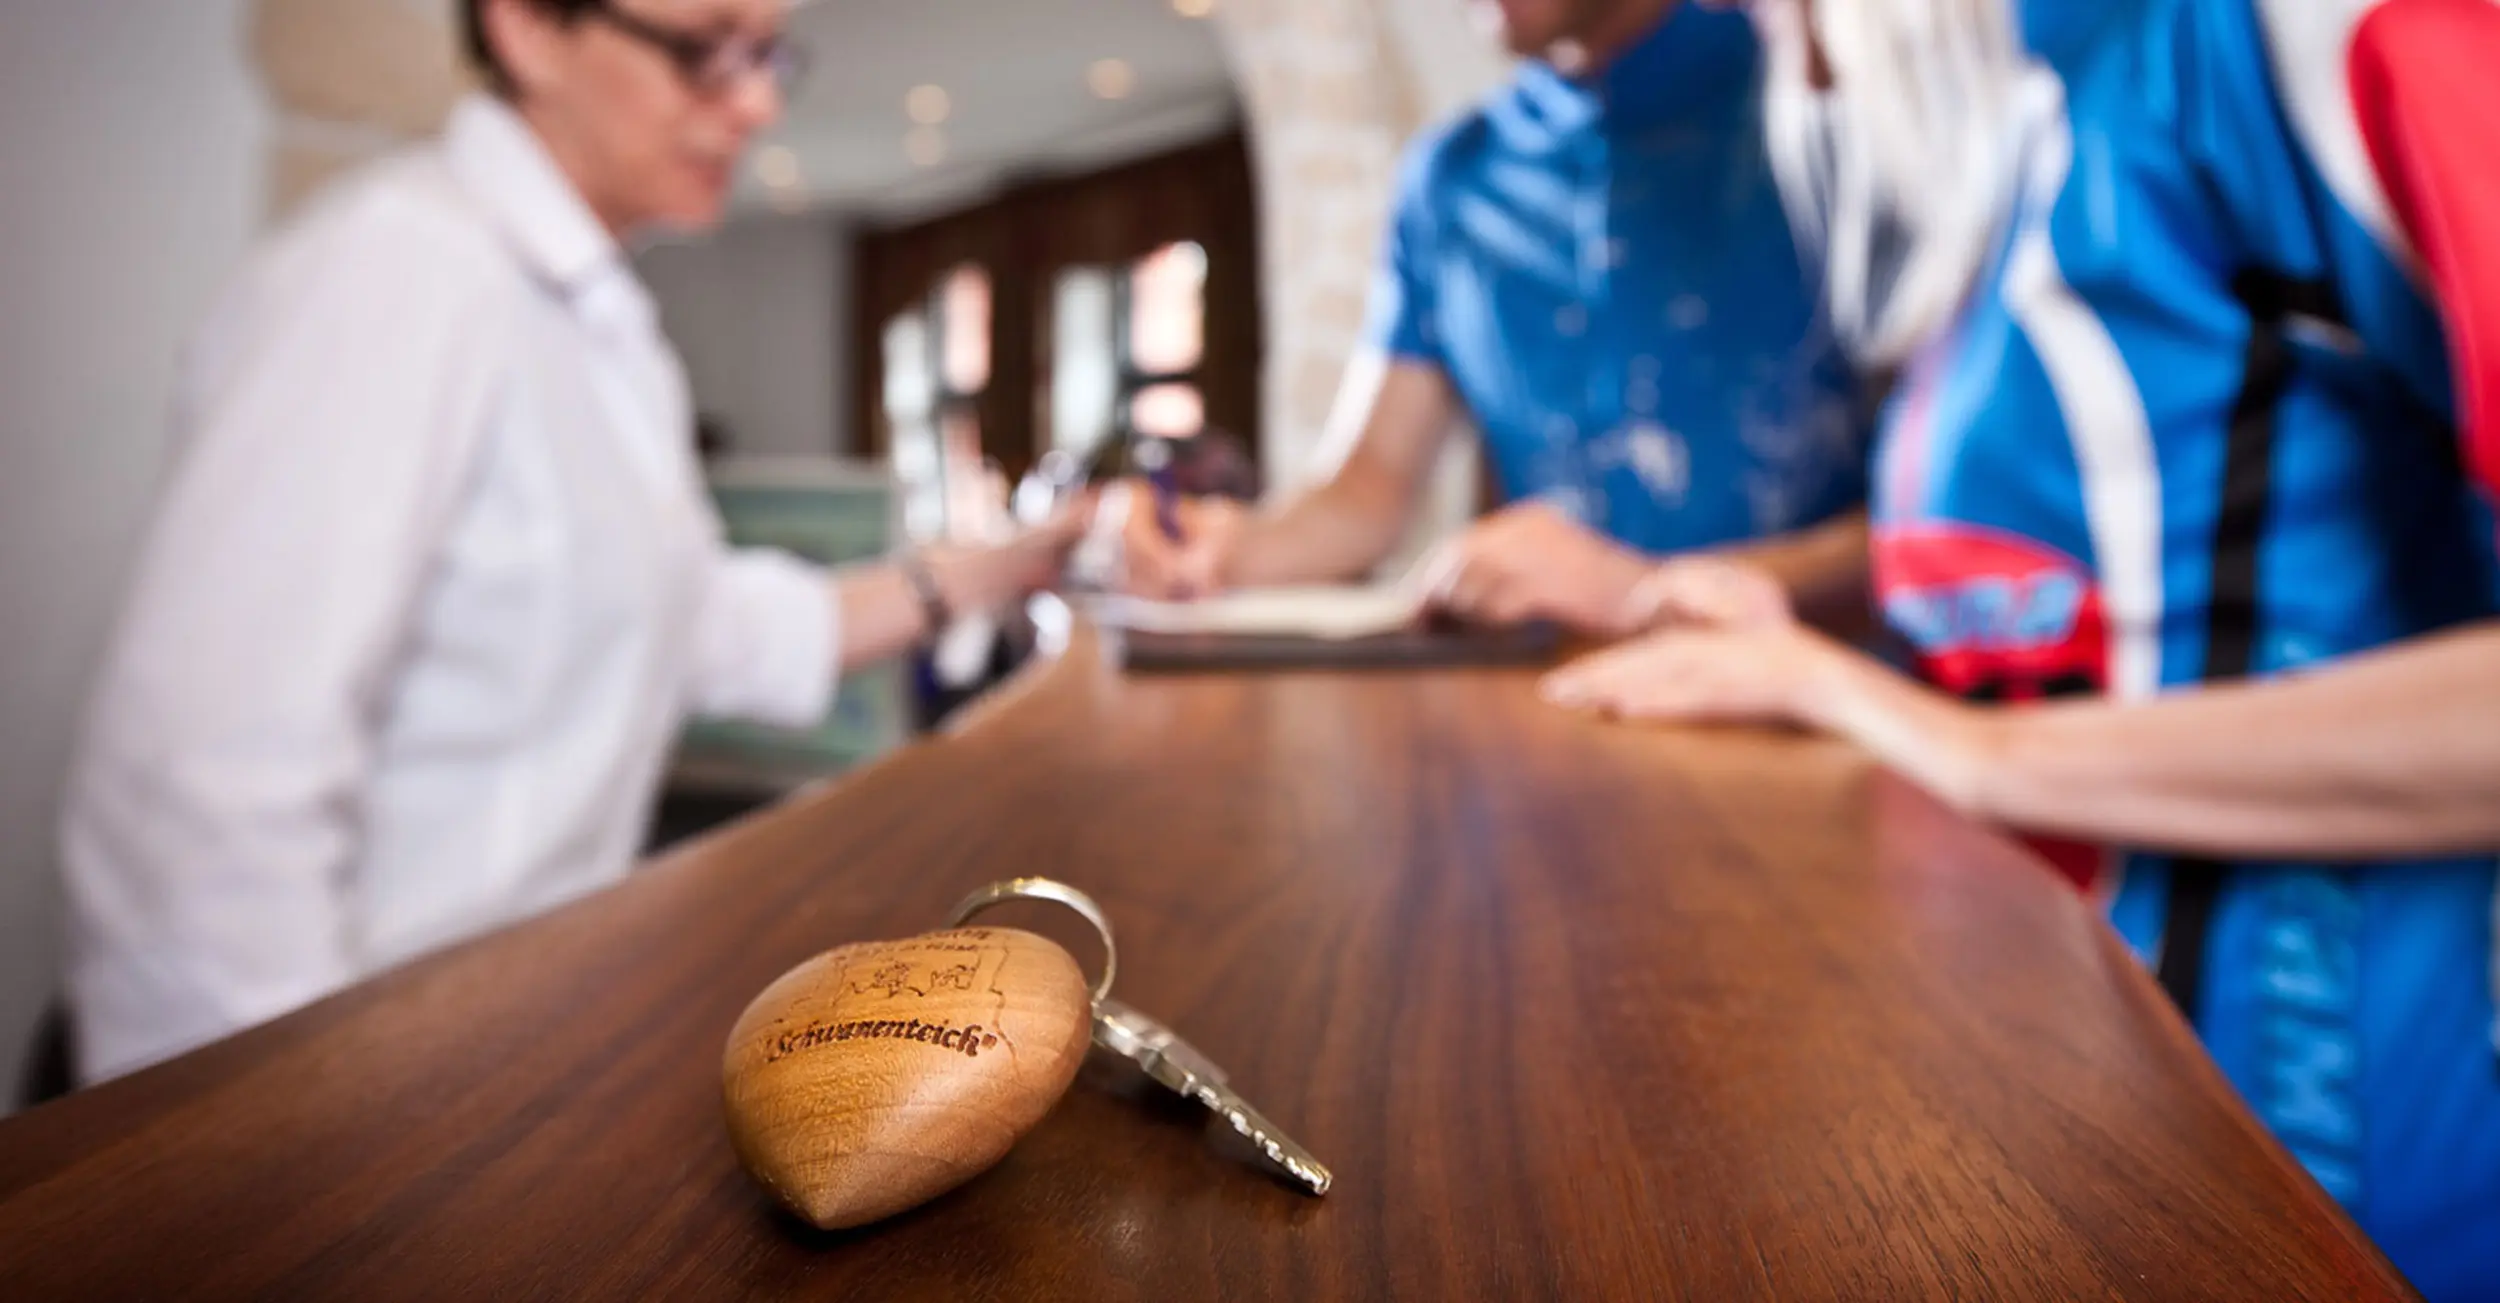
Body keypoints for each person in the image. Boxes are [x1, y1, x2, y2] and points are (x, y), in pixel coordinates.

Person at [1545, 0, 2500, 1292]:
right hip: (2057, 1151)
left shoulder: (2312, 39)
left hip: (2331, 1187)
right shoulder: (2034, 125)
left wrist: (1951, 739)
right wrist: (1782, 639)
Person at [60, 0, 1084, 1083]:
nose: (757, 102)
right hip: (361, 1085)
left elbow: (700, 620)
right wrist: (276, 1150)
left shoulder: (609, 331)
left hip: (515, 1037)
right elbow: (204, 794)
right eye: (705, 51)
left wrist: (1003, 564)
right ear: (528, 29)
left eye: (770, 55)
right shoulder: (394, 269)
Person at [1122, 0, 1868, 638]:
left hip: (1827, 731)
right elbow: (1369, 485)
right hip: (1557, 714)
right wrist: (1221, 552)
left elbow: (1937, 529)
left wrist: (1645, 591)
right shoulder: (1449, 179)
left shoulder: (1829, 109)